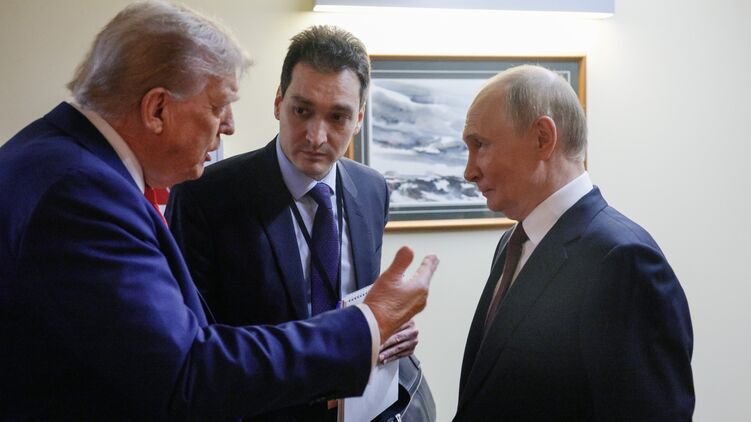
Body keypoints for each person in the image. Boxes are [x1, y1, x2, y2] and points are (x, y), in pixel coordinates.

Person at [0, 2, 439, 420]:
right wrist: (365, 327)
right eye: (217, 106)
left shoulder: (59, 160)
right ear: (157, 108)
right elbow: (186, 372)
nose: (229, 125)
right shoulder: (81, 193)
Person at [167, 25, 434, 421]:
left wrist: (388, 329)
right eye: (302, 111)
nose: (316, 136)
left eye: (338, 117)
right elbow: (194, 346)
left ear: (359, 118)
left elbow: (358, 302)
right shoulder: (205, 196)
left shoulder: (372, 189)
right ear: (278, 102)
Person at [454, 65, 694, 421]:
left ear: (542, 138)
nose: (469, 171)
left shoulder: (624, 260)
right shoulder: (513, 243)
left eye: (480, 145)